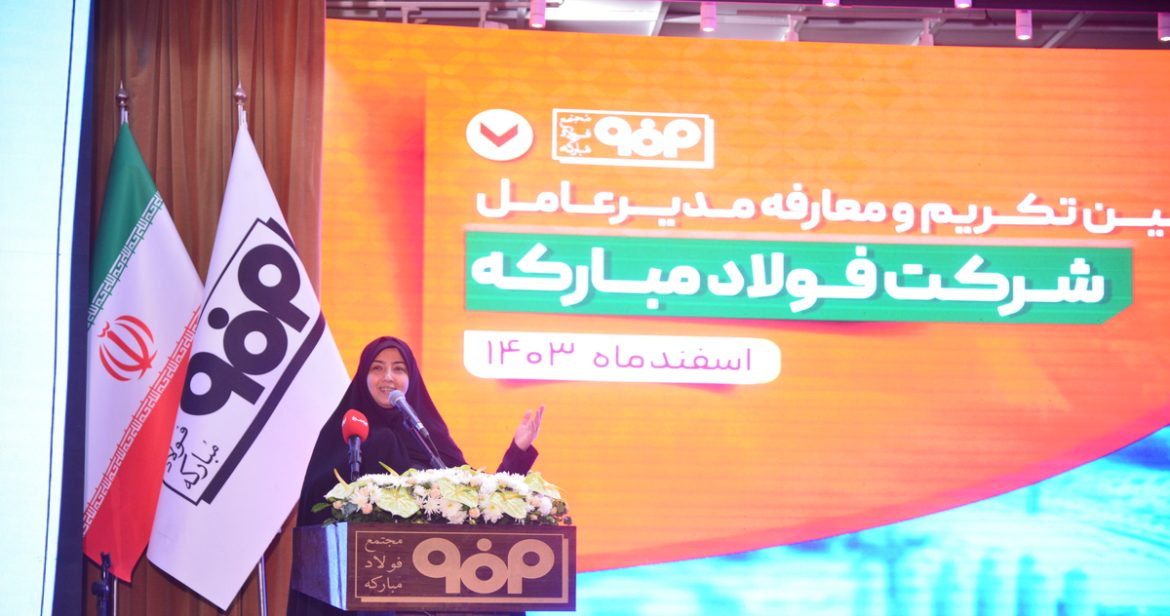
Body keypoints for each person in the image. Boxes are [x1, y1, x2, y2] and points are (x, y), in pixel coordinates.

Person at [288, 335, 543, 616]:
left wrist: (517, 453)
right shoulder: (346, 435)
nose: (388, 377)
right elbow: (319, 505)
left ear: (411, 379)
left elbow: (473, 500)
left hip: (436, 580)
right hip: (368, 590)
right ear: (363, 377)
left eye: (398, 368)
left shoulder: (429, 435)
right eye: (377, 368)